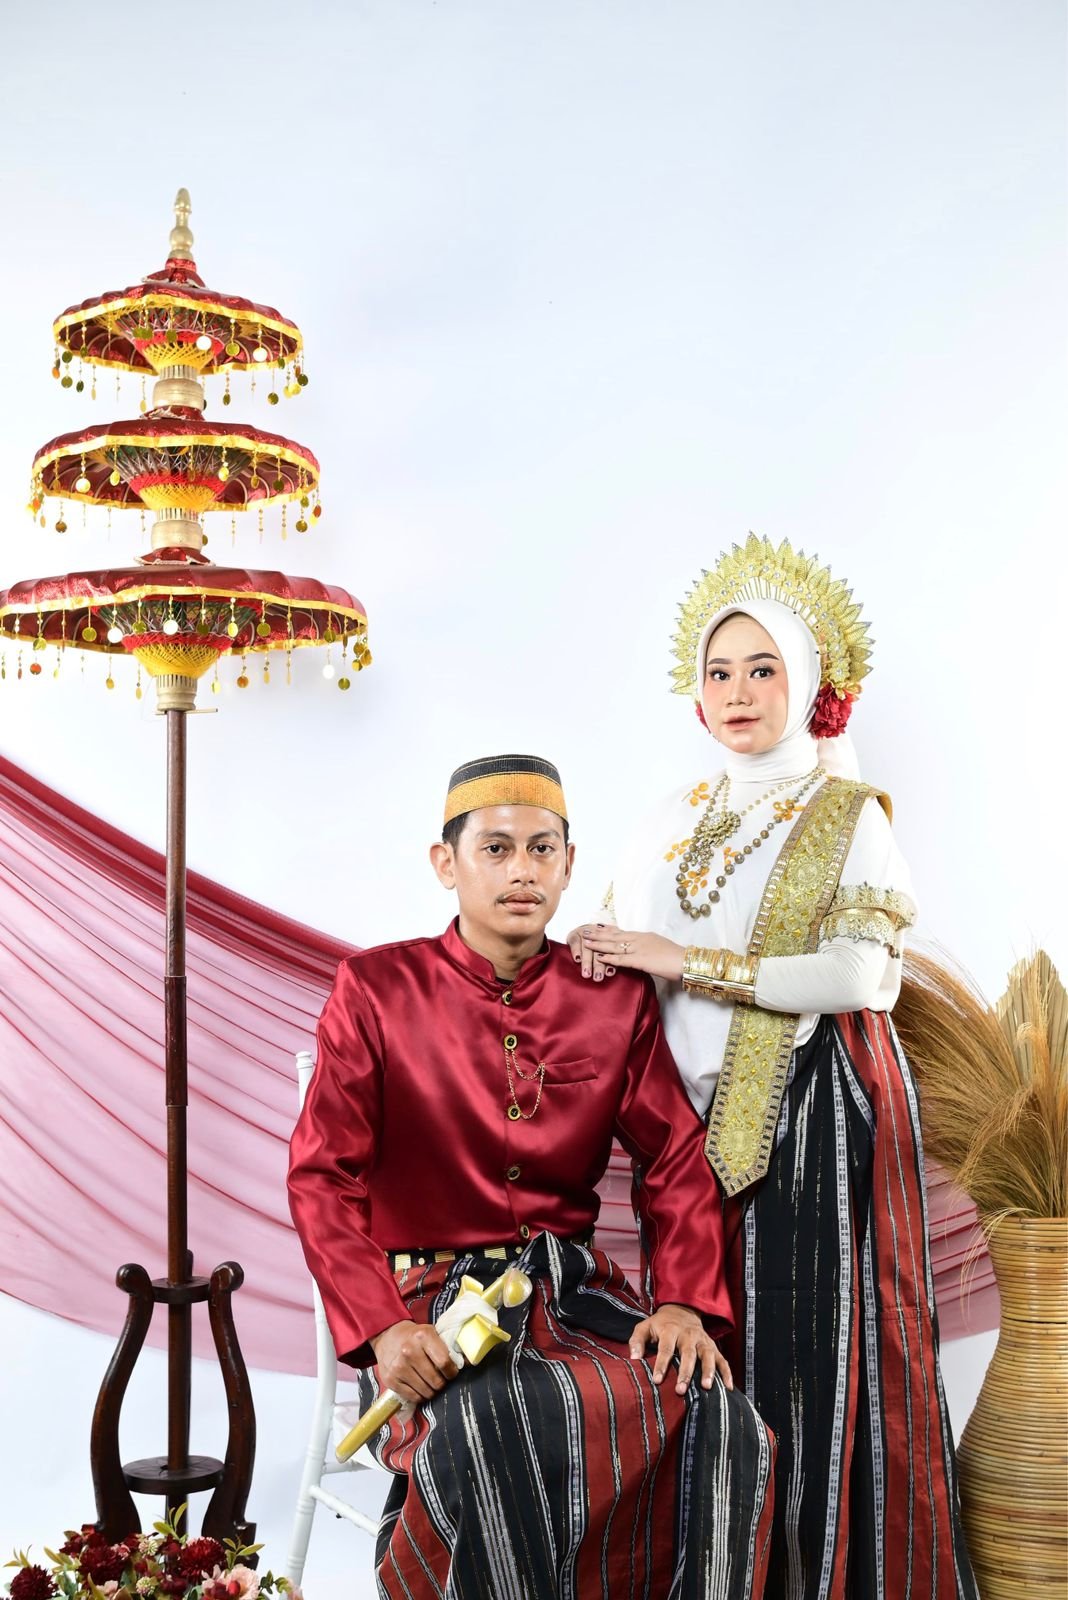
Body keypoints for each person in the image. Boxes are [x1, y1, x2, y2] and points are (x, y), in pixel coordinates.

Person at [571, 536, 978, 1600]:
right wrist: (596, 953)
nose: (739, 693)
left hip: (816, 1107)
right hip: (685, 1127)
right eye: (719, 672)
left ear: (807, 682)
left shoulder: (848, 814)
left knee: (809, 1356)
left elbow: (862, 976)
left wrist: (682, 961)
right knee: (708, 1352)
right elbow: (621, 942)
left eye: (763, 669)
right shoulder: (667, 819)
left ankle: (817, 1577)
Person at [288, 753, 775, 1600]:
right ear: (446, 864)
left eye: (542, 849)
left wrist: (684, 1304)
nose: (522, 871)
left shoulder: (613, 998)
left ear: (569, 864)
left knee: (719, 1414)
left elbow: (675, 1156)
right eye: (497, 848)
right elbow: (322, 1176)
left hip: (569, 1293)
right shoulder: (376, 989)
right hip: (425, 1302)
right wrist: (383, 1330)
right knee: (489, 1432)